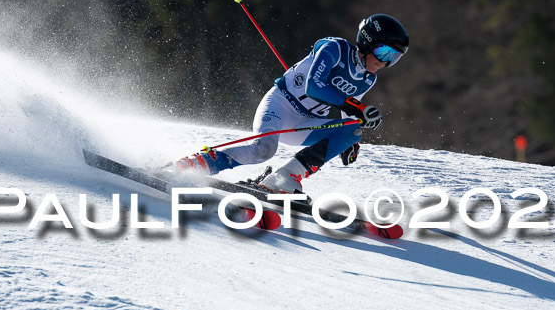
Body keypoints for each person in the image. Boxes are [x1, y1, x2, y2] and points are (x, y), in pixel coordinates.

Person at [174, 13, 409, 194]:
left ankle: (284, 178)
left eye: (394, 59)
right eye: (384, 53)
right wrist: (356, 109)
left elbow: (350, 110)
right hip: (281, 104)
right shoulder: (334, 48)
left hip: (306, 122)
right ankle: (193, 165)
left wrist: (348, 140)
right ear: (368, 42)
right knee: (263, 150)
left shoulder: (368, 78)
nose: (385, 62)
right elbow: (314, 86)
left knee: (354, 130)